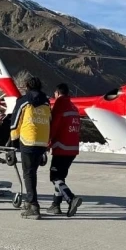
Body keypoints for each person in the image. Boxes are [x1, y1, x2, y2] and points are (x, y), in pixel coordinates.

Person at [9, 74, 51, 220]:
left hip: (28, 140)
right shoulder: (46, 102)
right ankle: (29, 201)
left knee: (28, 173)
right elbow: (49, 120)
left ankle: (33, 205)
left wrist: (13, 141)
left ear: (27, 86)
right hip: (42, 141)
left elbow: (15, 122)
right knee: (33, 172)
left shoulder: (23, 101)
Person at [47, 83, 83, 217]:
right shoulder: (73, 106)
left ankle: (70, 198)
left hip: (61, 147)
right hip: (72, 148)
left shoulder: (59, 105)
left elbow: (54, 125)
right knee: (60, 178)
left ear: (57, 93)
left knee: (55, 177)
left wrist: (48, 141)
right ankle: (55, 205)